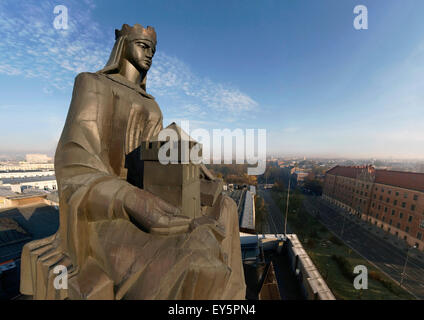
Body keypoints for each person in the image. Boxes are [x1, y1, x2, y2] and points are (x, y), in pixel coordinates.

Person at [20, 24, 246, 300]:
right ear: (122, 45)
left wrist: (185, 161)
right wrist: (130, 199)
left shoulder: (152, 105)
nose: (150, 53)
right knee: (196, 256)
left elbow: (149, 159)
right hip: (106, 211)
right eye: (143, 45)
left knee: (226, 207)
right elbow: (73, 165)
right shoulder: (91, 83)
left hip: (147, 195)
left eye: (153, 49)